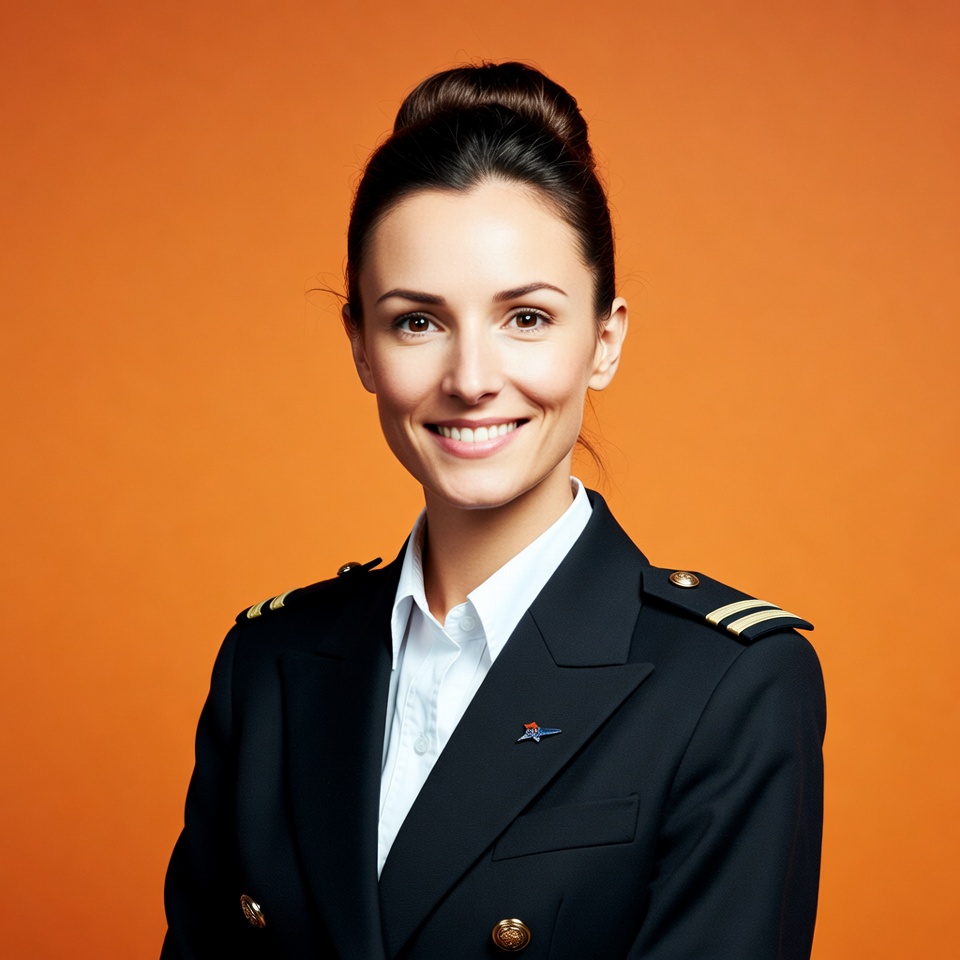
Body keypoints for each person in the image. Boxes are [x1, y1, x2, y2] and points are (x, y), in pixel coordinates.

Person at [162, 62, 825, 959]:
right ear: (360, 346)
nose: (472, 380)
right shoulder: (268, 667)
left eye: (525, 318)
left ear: (605, 339)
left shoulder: (727, 685)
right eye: (417, 322)